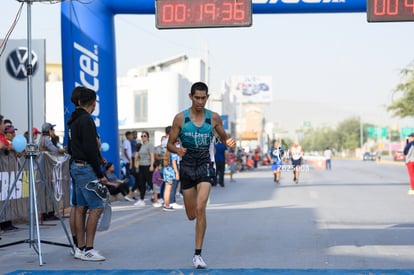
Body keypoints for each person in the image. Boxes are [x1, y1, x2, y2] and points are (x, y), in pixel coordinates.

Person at [167, 81, 235, 269]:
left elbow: (224, 137)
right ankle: (194, 207)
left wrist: (229, 142)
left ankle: (198, 255)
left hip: (205, 163)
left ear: (207, 97)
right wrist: (178, 150)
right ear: (190, 97)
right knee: (191, 214)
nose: (200, 101)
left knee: (200, 209)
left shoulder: (213, 118)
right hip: (187, 165)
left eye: (203, 98)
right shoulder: (180, 118)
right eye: (196, 97)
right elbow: (170, 144)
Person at [67, 86, 108, 261]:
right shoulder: (86, 120)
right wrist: (100, 173)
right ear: (92, 102)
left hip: (76, 165)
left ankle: (79, 247)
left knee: (79, 207)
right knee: (96, 207)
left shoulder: (73, 119)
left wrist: (98, 157)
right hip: (85, 168)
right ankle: (88, 249)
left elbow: (79, 145)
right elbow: (90, 148)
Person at [133, 130, 155, 207]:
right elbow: (136, 157)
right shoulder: (141, 145)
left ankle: (158, 197)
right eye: (142, 136)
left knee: (150, 183)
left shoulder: (150, 145)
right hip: (141, 166)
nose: (143, 137)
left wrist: (152, 165)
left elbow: (152, 156)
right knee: (141, 183)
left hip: (148, 165)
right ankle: (142, 200)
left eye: (144, 136)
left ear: (148, 137)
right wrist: (137, 152)